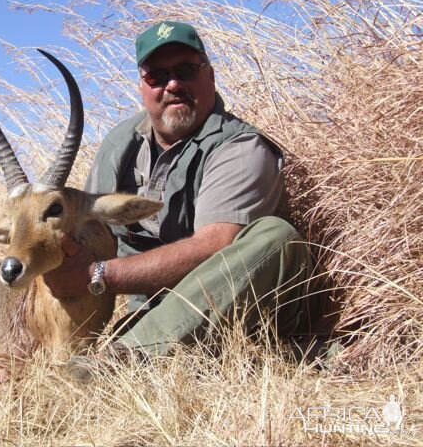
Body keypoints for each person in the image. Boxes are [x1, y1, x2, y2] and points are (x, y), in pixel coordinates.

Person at [43, 21, 323, 380]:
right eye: (157, 77)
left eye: (186, 71)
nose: (173, 85)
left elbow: (214, 245)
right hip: (154, 312)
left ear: (210, 75)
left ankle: (122, 366)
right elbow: (94, 237)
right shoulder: (120, 144)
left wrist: (96, 275)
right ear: (143, 87)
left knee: (275, 236)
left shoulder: (239, 147)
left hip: (248, 309)